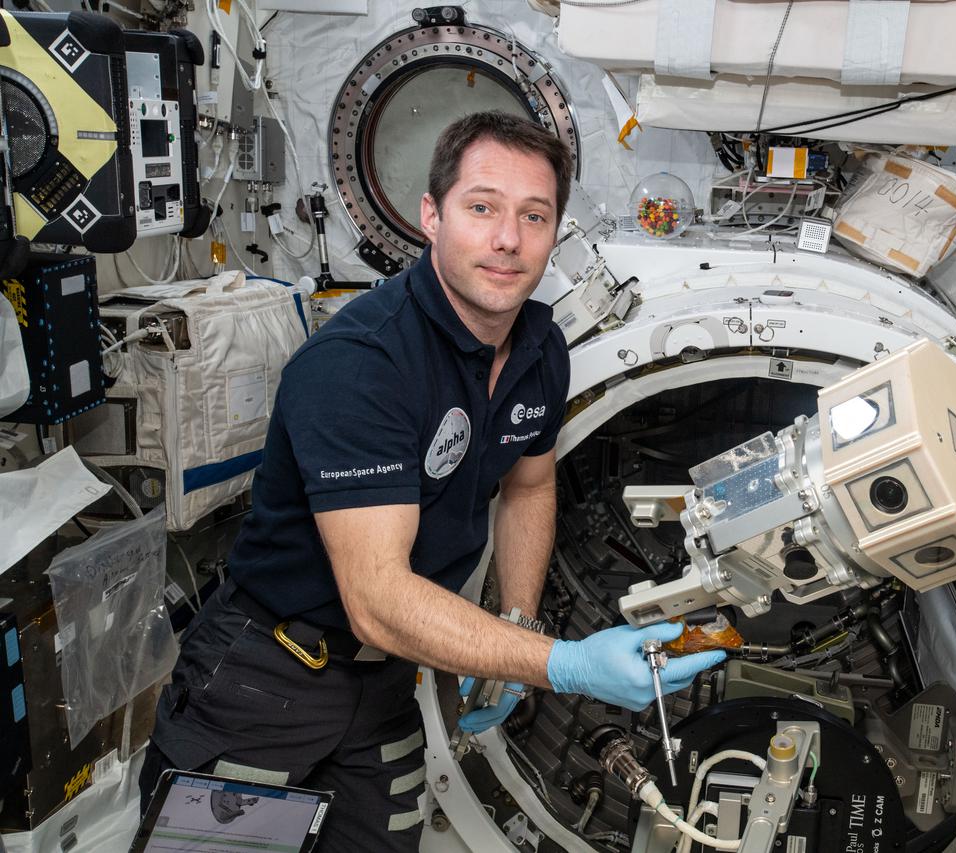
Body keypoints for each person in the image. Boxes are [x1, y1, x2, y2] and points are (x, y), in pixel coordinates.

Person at [139, 111, 725, 850]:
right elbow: (378, 599)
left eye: (533, 216)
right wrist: (562, 664)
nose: (508, 239)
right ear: (431, 217)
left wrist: (518, 621)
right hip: (267, 679)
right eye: (482, 208)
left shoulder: (541, 351)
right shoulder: (363, 365)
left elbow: (529, 486)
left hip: (386, 687)